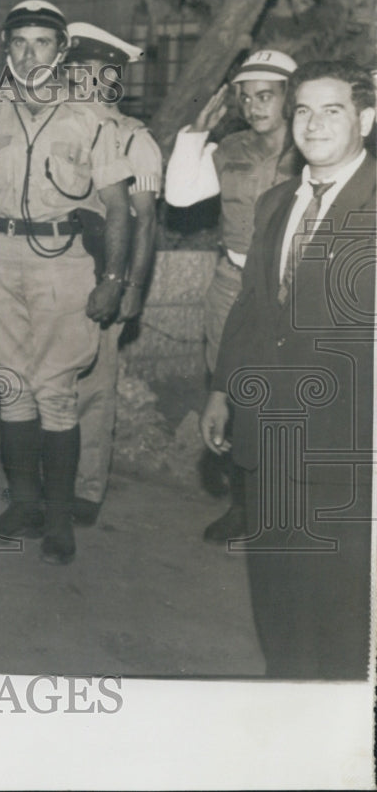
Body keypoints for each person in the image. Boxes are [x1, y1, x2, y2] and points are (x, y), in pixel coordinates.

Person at [199, 60, 374, 679]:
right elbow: (250, 306)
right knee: (276, 604)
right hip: (267, 439)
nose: (314, 123)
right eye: (303, 109)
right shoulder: (277, 201)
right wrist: (223, 388)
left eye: (333, 110)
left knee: (344, 619)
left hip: (349, 448)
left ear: (366, 119)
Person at [0, 0, 132, 564]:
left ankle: (57, 518)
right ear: (6, 48)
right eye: (20, 43)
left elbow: (119, 207)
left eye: (43, 43)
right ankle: (23, 506)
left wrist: (114, 278)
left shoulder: (91, 118)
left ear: (62, 49)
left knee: (56, 392)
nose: (31, 55)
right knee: (9, 386)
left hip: (63, 262)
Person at [165, 50, 300, 542]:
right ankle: (243, 508)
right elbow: (180, 196)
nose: (254, 105)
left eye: (266, 95)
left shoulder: (312, 146)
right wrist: (197, 133)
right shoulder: (232, 148)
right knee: (235, 396)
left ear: (291, 96)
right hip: (234, 279)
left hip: (291, 286)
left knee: (287, 398)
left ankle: (284, 511)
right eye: (246, 97)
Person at [64, 22, 162, 526]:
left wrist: (132, 285)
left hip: (104, 270)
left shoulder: (133, 139)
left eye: (96, 74)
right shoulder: (51, 126)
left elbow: (144, 221)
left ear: (112, 80)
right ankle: (46, 478)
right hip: (52, 272)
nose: (84, 82)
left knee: (95, 384)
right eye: (76, 71)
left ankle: (86, 486)